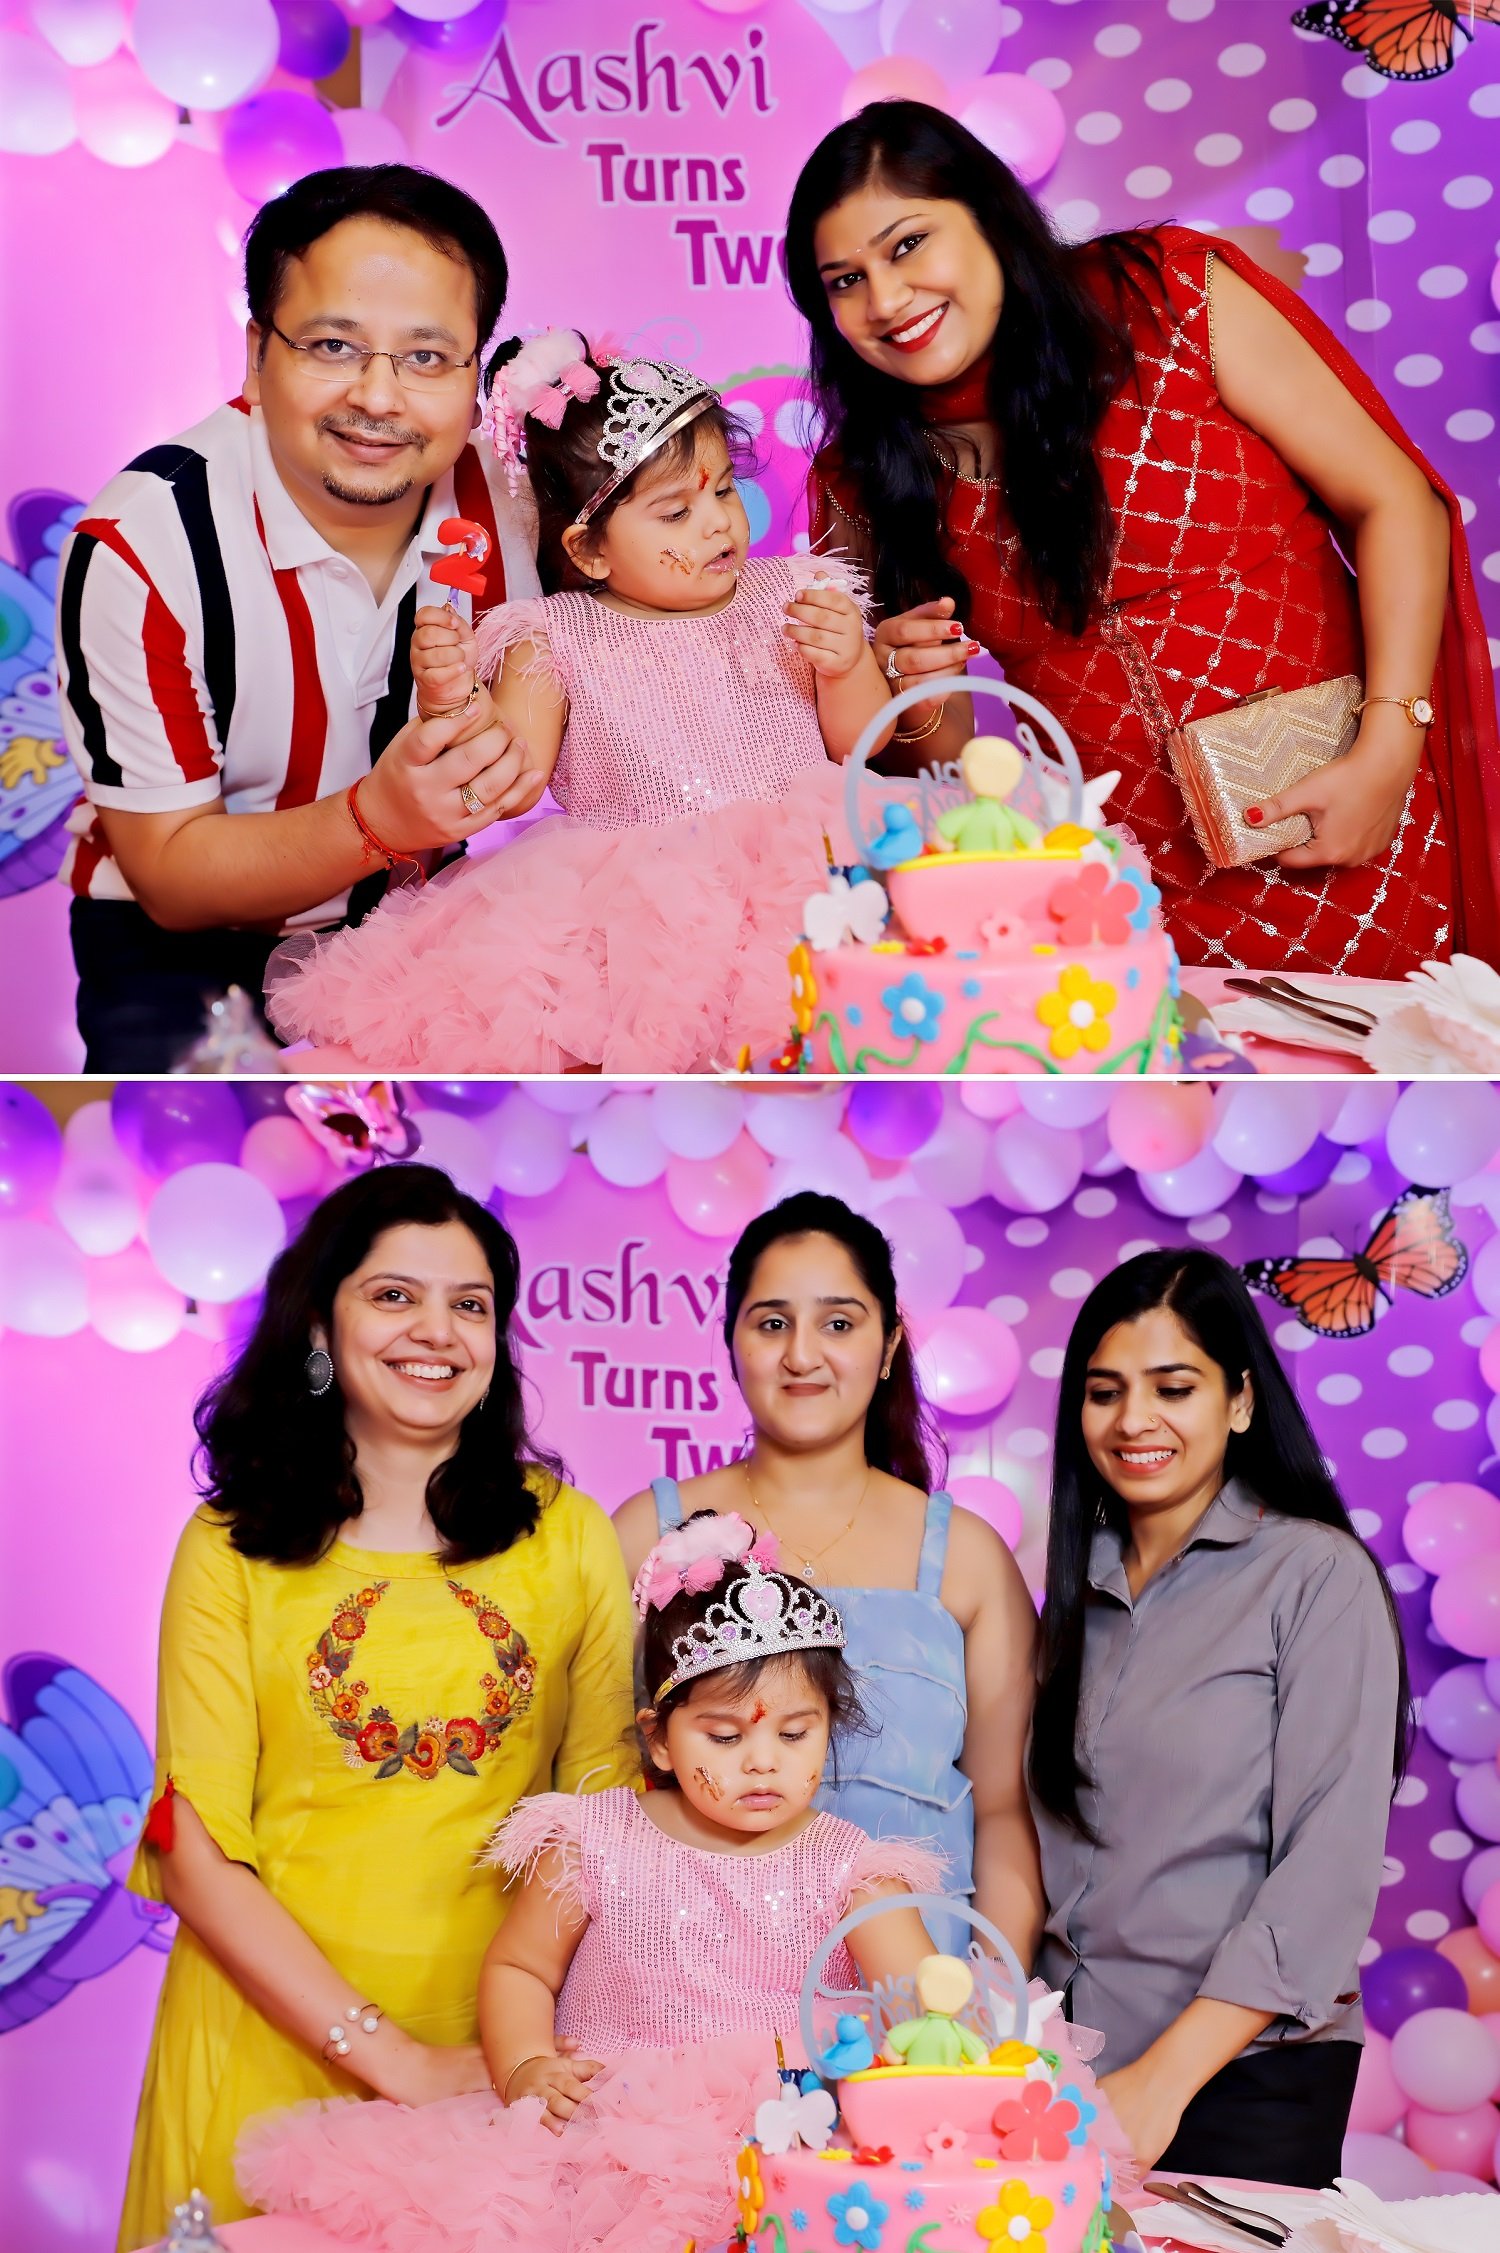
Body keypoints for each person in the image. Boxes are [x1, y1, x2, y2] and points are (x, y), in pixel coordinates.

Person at [784, 100, 1500, 978]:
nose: (886, 301)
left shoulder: (1166, 300)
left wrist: (1390, 749)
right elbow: (935, 769)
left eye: (906, 245)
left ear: (989, 215)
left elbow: (1395, 502)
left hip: (1356, 826)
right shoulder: (867, 475)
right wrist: (912, 687)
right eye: (844, 280)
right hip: (1124, 910)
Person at [118, 1165, 636, 2249]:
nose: (436, 1331)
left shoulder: (569, 1535)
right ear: (320, 1321)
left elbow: (604, 1822)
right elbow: (196, 1848)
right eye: (395, 1295)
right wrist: (393, 2058)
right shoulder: (230, 1547)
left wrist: (513, 2048)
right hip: (264, 2047)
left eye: (470, 1304)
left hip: (495, 2061)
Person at [236, 1511, 942, 2253]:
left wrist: (928, 2034)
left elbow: (927, 2009)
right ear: (659, 1740)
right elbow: (520, 1967)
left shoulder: (849, 1869)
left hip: (788, 2152)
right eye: (725, 1736)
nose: (763, 1760)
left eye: (795, 1734)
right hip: (602, 2149)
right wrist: (523, 2063)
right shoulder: (595, 1840)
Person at [262, 333, 901, 1073]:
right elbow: (508, 783)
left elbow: (861, 743)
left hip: (807, 869)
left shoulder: (795, 593)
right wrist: (450, 697)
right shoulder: (552, 638)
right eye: (675, 512)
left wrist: (846, 664)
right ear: (590, 549)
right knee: (655, 1055)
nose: (718, 522)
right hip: (643, 916)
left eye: (724, 490)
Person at [57, 164, 541, 1073]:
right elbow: (169, 874)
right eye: (333, 345)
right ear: (256, 354)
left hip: (421, 926)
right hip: (191, 952)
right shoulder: (146, 543)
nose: (379, 399)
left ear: (476, 371)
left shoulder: (516, 497)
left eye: (427, 357)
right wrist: (378, 818)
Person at [1029, 1248, 1408, 2188]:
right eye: (1105, 1391)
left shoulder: (1316, 1575)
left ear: (1239, 1400)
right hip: (1066, 2074)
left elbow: (1327, 1866)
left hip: (1244, 2078)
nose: (1134, 1419)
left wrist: (1164, 2079)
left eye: (1174, 1387)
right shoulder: (1071, 1598)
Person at [614, 1190, 1044, 1964]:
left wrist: (986, 1996)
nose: (802, 1354)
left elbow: (1005, 1813)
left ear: (889, 1345)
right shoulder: (648, 1532)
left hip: (920, 2002)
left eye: (838, 1323)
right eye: (772, 1323)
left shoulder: (968, 1556)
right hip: (702, 1988)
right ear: (732, 1341)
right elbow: (603, 1792)